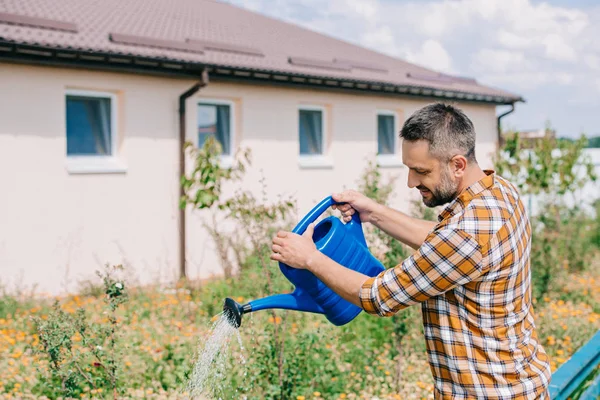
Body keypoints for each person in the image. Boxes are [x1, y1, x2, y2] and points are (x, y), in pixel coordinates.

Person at [270, 103, 551, 399]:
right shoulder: (499, 193)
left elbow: (378, 296)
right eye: (409, 168)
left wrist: (310, 258)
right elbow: (442, 243)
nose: (411, 182)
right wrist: (375, 212)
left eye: (421, 171)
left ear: (457, 165)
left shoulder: (465, 236)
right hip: (519, 382)